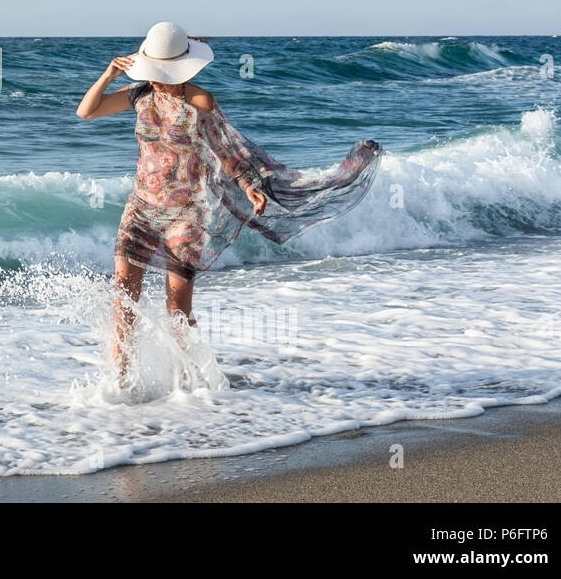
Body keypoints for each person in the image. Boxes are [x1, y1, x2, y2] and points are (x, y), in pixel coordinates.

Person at [77, 22, 381, 378]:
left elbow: (227, 150)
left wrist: (249, 185)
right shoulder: (138, 95)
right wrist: (110, 73)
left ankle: (191, 381)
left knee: (176, 306)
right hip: (142, 207)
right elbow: (86, 111)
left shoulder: (200, 100)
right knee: (123, 294)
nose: (157, 79)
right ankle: (121, 379)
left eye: (163, 72)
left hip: (187, 214)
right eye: (154, 70)